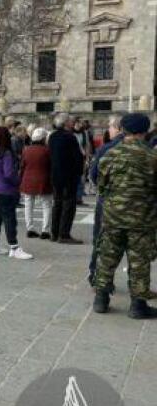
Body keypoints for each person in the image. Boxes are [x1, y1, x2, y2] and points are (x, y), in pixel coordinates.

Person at [92, 113, 157, 318]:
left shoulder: (109, 155)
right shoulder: (151, 157)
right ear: (144, 131)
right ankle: (138, 305)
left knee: (107, 257)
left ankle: (101, 299)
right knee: (139, 261)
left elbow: (101, 185)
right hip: (142, 219)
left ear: (124, 130)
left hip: (113, 216)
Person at [87, 115, 124, 287]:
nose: (109, 130)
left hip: (107, 203)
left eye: (110, 126)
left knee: (101, 242)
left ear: (118, 128)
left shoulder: (107, 149)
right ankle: (138, 291)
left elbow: (93, 176)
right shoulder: (147, 150)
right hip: (137, 207)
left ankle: (97, 279)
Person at [0, 127, 32, 259]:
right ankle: (14, 247)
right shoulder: (6, 153)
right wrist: (18, 182)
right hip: (5, 190)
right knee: (9, 219)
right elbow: (8, 173)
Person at [48, 113, 84, 243]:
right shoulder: (70, 137)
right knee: (69, 204)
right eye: (70, 121)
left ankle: (54, 232)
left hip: (56, 175)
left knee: (57, 203)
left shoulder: (52, 136)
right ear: (66, 123)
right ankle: (64, 234)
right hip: (69, 175)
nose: (72, 122)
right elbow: (77, 157)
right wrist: (79, 172)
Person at [20, 128, 52, 239]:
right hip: (44, 179)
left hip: (28, 179)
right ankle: (45, 230)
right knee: (46, 205)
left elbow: (22, 166)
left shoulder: (26, 150)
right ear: (44, 139)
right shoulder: (47, 150)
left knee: (28, 204)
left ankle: (30, 228)